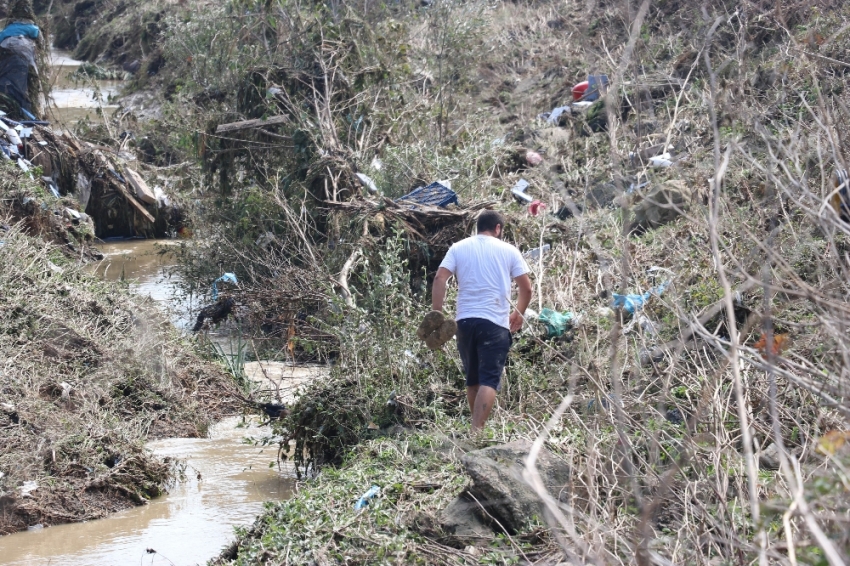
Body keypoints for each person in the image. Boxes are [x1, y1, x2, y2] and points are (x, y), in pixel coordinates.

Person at [431, 210, 532, 433]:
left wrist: (436, 314)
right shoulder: (508, 250)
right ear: (498, 228)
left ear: (478, 227)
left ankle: (475, 430)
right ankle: (477, 431)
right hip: (494, 322)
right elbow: (526, 287)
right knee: (489, 379)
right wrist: (519, 313)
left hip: (464, 323)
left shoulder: (458, 247)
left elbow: (440, 278)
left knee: (473, 379)